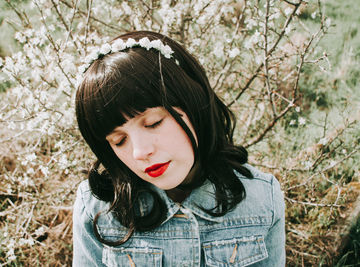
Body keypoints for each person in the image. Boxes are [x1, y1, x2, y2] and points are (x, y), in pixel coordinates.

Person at [73, 30, 285, 266]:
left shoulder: (262, 199)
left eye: (153, 123)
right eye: (119, 140)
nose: (140, 152)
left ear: (193, 104)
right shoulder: (97, 209)